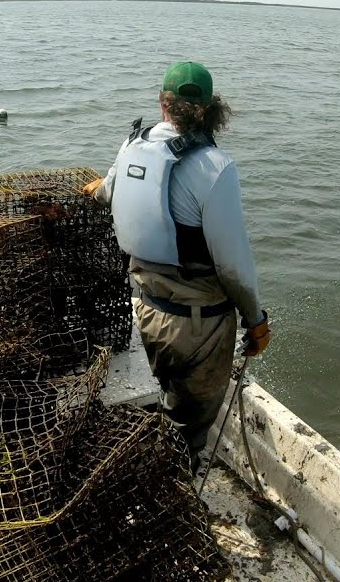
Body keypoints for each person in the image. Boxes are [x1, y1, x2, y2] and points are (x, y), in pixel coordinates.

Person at [84, 61, 271, 460]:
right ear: (208, 108)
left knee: (169, 401)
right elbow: (233, 266)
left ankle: (158, 464)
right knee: (187, 432)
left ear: (161, 102)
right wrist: (256, 321)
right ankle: (172, 488)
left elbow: (107, 193)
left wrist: (101, 185)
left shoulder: (134, 144)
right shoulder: (216, 168)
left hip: (149, 313)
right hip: (198, 329)